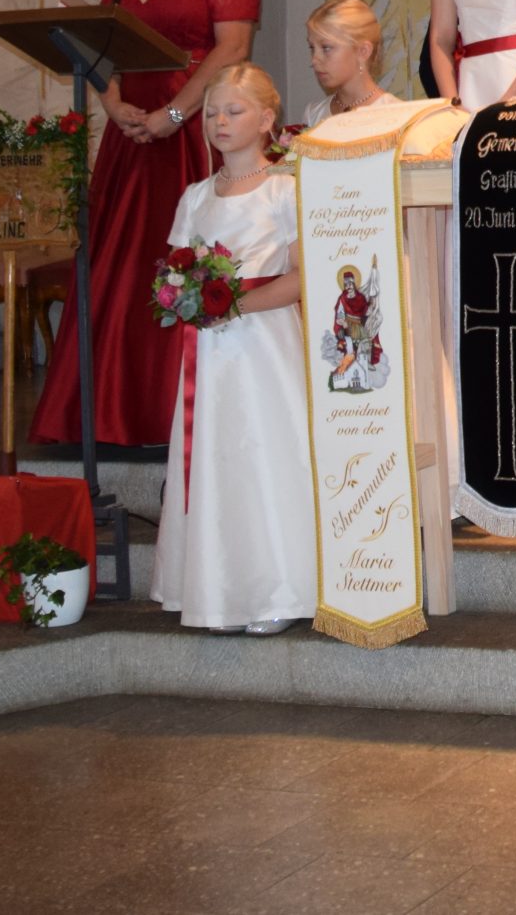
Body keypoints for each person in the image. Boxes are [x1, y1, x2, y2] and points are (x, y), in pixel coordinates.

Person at [29, 0, 260, 447]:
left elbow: (231, 51)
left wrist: (174, 114)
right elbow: (100, 42)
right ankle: (107, 411)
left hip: (191, 130)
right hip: (131, 132)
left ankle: (172, 413)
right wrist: (111, 102)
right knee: (119, 268)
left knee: (177, 259)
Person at [153, 63, 316, 634]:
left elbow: (304, 277)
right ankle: (221, 592)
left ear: (267, 119)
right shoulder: (196, 196)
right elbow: (175, 268)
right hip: (209, 353)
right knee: (218, 460)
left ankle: (278, 590)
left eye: (234, 111)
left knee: (265, 455)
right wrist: (183, 295)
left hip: (264, 345)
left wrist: (237, 305)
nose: (219, 122)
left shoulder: (285, 190)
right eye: (211, 113)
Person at [302, 0, 400, 127]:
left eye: (326, 48)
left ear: (363, 51)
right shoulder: (314, 115)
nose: (314, 60)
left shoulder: (396, 115)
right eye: (312, 48)